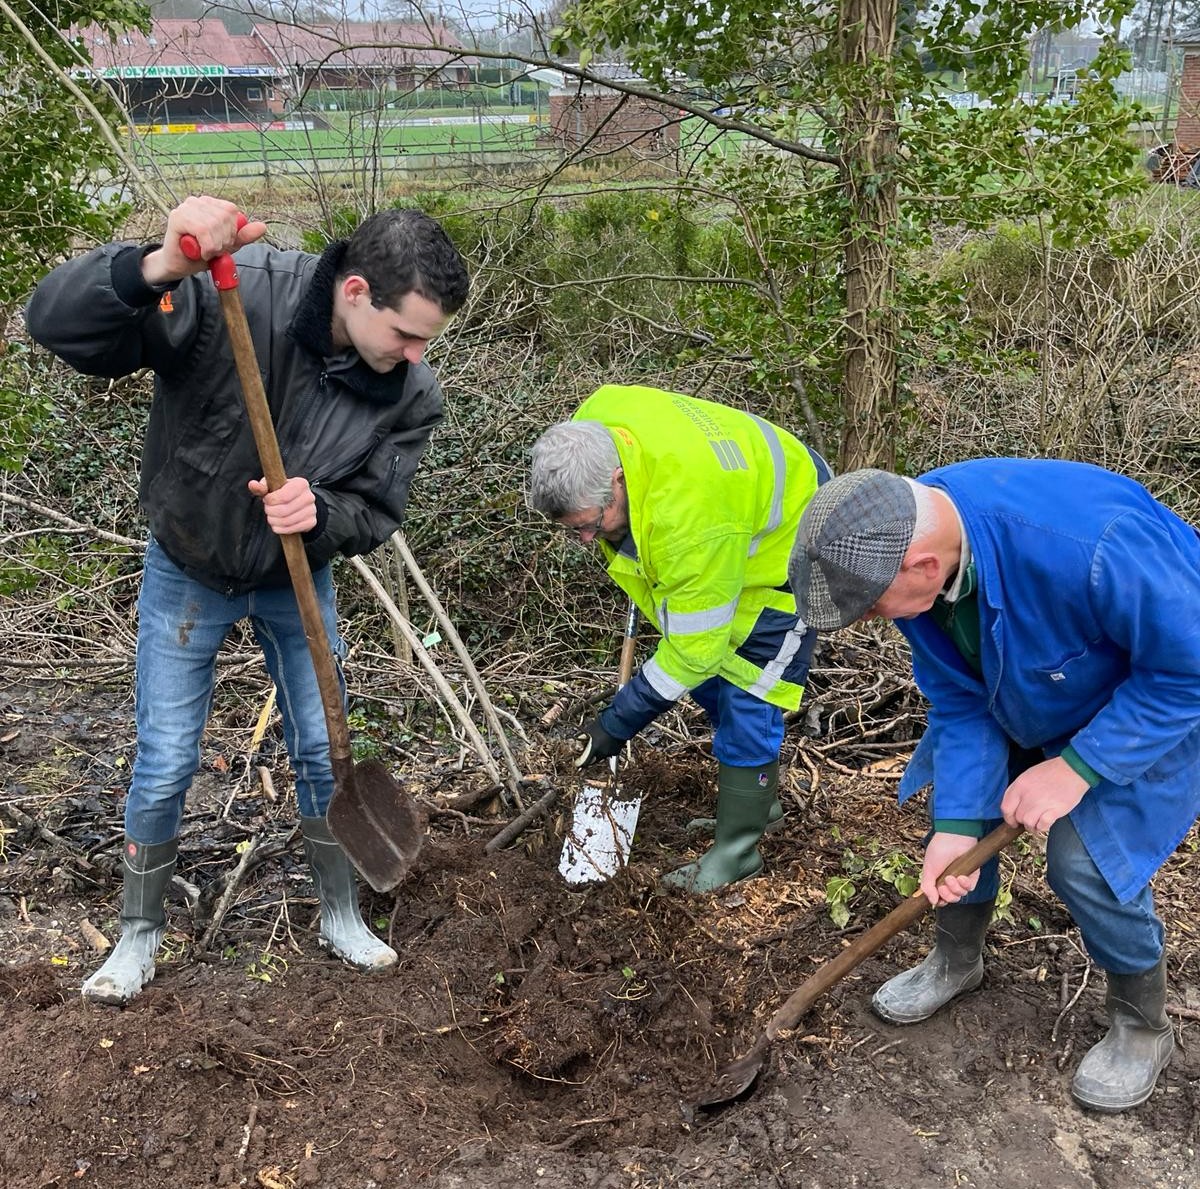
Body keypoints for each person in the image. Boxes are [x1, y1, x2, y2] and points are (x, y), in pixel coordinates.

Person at [25, 195, 469, 1004]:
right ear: (357, 291)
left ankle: (340, 910)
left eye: (424, 342)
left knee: (322, 753)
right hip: (188, 562)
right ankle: (139, 931)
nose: (412, 355)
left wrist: (323, 513)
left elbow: (376, 506)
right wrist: (157, 266)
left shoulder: (410, 392)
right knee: (163, 762)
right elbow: (57, 327)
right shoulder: (241, 290)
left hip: (294, 578)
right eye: (406, 333)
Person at [787, 461, 1200, 1112]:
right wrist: (956, 824)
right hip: (1031, 681)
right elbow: (959, 698)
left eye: (870, 607)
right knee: (960, 817)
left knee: (1083, 863)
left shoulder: (1095, 546)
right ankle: (957, 959)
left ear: (923, 565)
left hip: (1151, 699)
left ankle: (1143, 1024)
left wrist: (1076, 767)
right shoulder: (906, 540)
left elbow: (1186, 670)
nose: (871, 620)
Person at [528, 385, 830, 891]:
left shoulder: (689, 521)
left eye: (587, 525)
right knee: (708, 682)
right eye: (571, 529)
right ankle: (758, 802)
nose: (584, 541)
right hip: (731, 522)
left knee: (749, 696)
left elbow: (694, 650)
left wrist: (617, 722)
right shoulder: (593, 427)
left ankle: (737, 852)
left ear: (618, 482)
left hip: (798, 542)